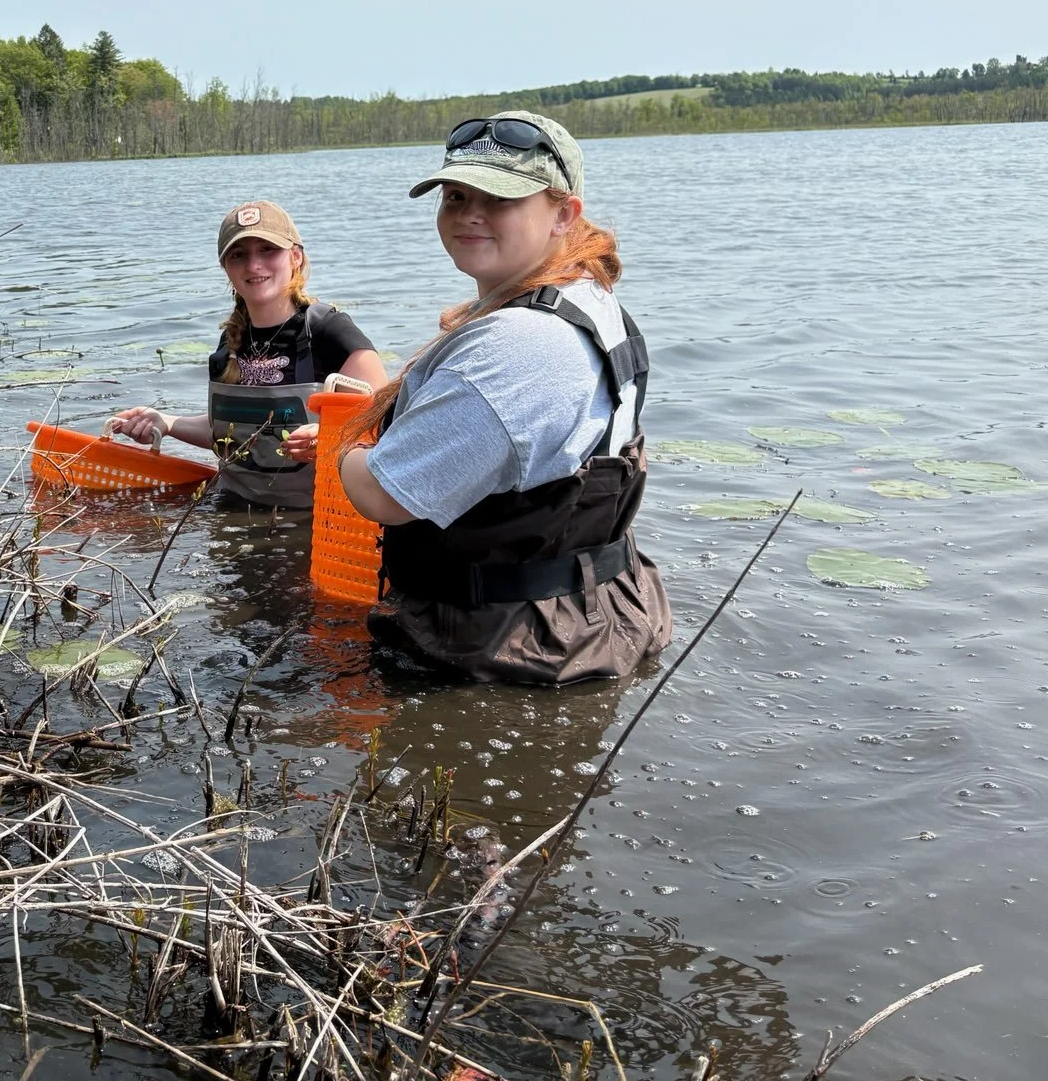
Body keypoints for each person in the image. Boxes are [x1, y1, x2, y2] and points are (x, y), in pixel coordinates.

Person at [335, 111, 669, 684]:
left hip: (506, 650)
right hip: (589, 617)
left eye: (500, 198)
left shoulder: (521, 344)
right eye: (457, 194)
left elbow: (387, 495)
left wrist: (345, 450)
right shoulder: (590, 299)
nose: (470, 213)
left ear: (564, 214)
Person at [110, 201, 386, 508]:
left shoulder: (329, 332)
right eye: (238, 255)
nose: (254, 265)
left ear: (296, 257)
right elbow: (233, 433)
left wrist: (332, 437)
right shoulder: (229, 342)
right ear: (225, 267)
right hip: (233, 509)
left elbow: (387, 424)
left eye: (267, 250)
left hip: (314, 520)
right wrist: (167, 423)